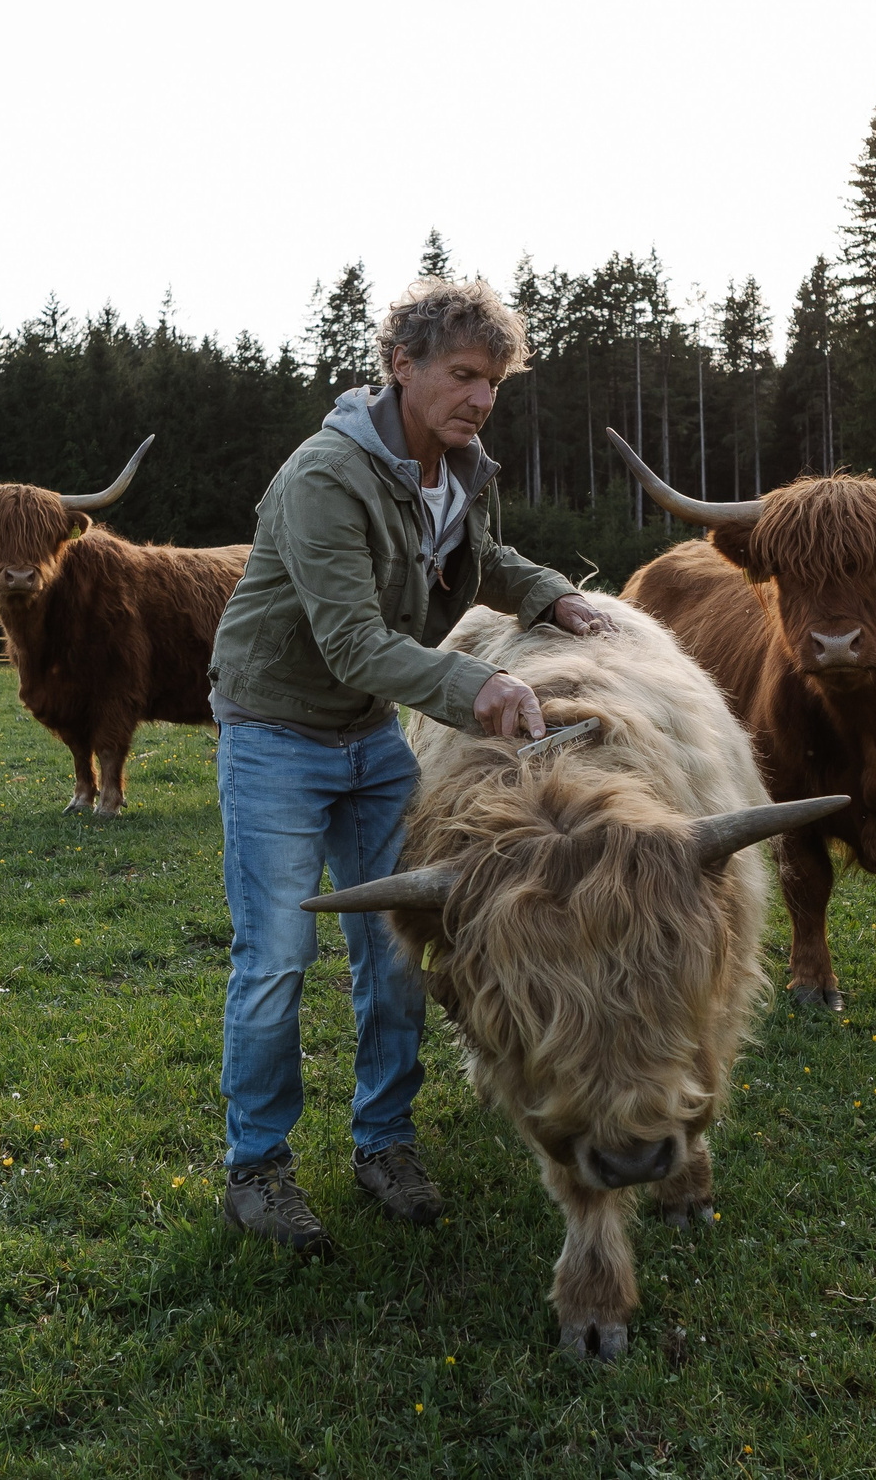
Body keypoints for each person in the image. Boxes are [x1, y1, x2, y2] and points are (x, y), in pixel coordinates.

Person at [205, 276, 613, 1253]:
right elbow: (349, 640)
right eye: (462, 376)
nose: (478, 399)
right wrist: (476, 690)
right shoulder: (323, 478)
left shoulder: (459, 468)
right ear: (401, 365)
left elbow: (478, 557)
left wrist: (552, 597)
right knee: (276, 960)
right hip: (275, 733)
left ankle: (383, 1142)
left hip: (369, 738)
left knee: (398, 952)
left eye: (494, 384)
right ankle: (256, 1172)